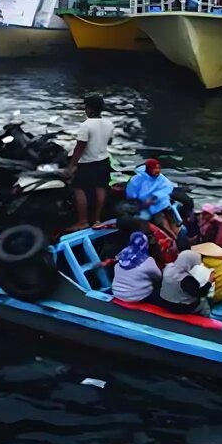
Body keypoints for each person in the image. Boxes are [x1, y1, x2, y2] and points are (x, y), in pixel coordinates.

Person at [66, 94, 114, 230]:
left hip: (87, 164)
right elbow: (109, 141)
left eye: (86, 107)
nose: (85, 110)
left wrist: (71, 166)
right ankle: (97, 219)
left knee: (78, 189)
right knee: (100, 189)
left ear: (90, 109)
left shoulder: (86, 125)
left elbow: (80, 147)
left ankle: (83, 221)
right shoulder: (109, 123)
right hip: (103, 161)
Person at [124, 158, 176, 238]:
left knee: (167, 217)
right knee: (140, 220)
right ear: (148, 169)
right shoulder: (136, 180)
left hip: (158, 204)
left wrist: (154, 198)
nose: (157, 170)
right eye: (155, 168)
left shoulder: (161, 178)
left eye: (159, 168)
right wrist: (142, 204)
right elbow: (131, 195)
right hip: (141, 206)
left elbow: (167, 188)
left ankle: (173, 236)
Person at [157, 250, 213, 317]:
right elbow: (201, 293)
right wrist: (209, 282)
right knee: (204, 301)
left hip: (165, 302)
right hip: (180, 307)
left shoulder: (168, 267)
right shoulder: (185, 278)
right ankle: (207, 317)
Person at [110, 232, 162, 303]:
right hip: (136, 297)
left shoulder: (121, 254)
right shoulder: (148, 260)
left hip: (117, 293)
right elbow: (159, 277)